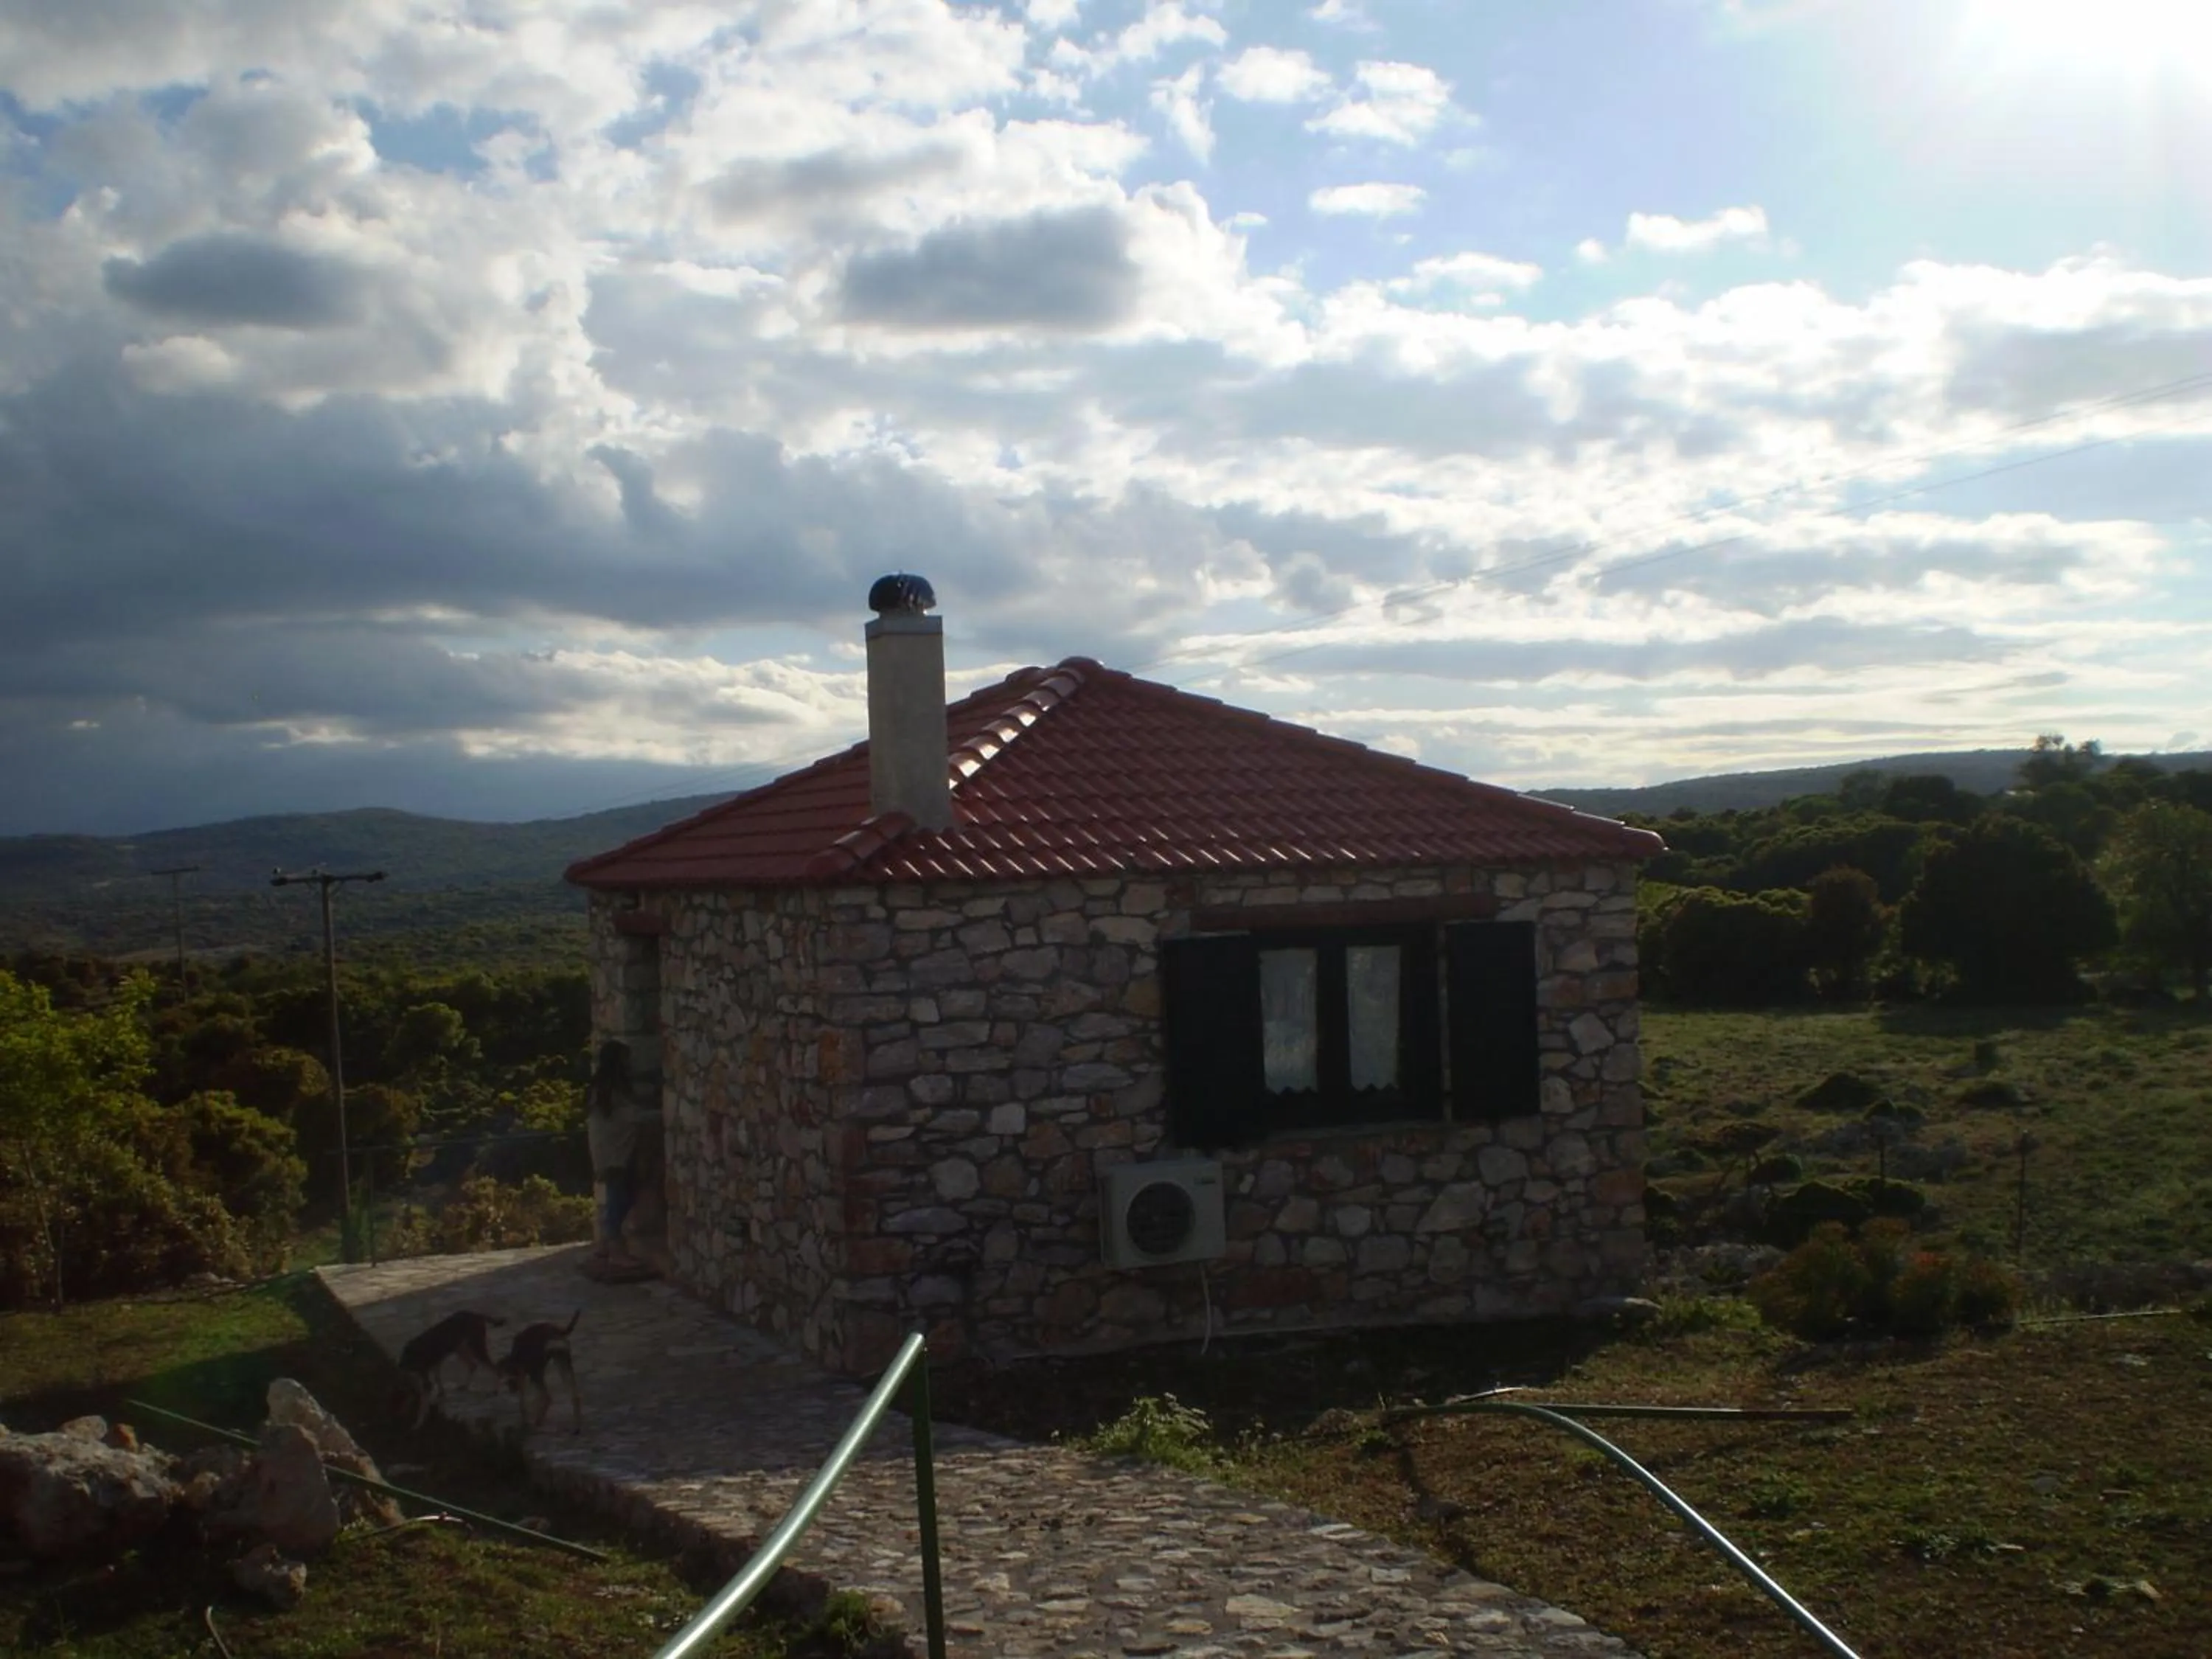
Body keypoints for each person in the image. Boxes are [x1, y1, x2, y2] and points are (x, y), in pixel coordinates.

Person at [585, 1039, 643, 1267]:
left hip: (608, 1151)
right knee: (620, 1198)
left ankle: (604, 1247)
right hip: (614, 1153)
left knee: (617, 1197)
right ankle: (616, 1252)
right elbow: (629, 1117)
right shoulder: (609, 1092)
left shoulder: (601, 1089)